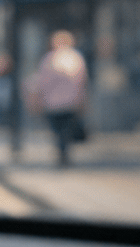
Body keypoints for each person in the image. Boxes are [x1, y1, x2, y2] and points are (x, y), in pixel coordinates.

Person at [29, 30, 88, 168]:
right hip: (67, 103)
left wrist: (37, 100)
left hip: (55, 104)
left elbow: (41, 83)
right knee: (64, 132)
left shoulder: (49, 59)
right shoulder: (75, 58)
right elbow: (82, 82)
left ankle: (62, 154)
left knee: (60, 132)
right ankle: (64, 154)